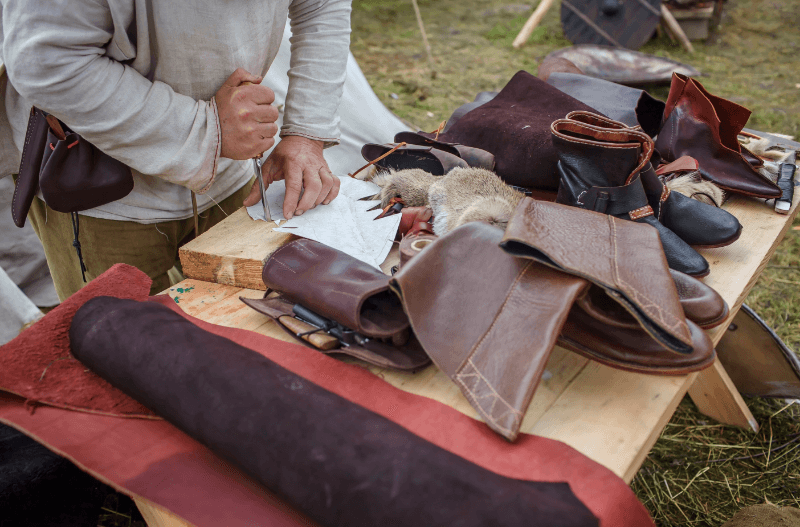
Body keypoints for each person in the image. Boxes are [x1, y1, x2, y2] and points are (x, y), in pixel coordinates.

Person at [0, 0, 350, 299]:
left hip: (232, 175)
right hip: (103, 193)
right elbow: (47, 61)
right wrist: (206, 131)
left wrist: (306, 132)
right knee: (123, 356)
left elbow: (321, 4)